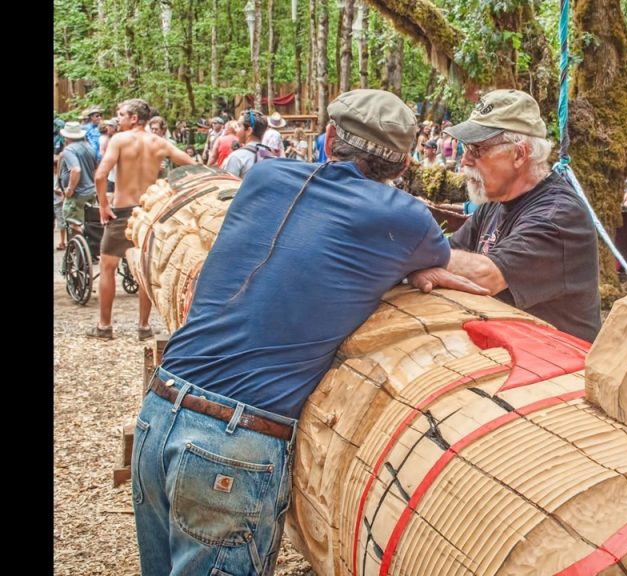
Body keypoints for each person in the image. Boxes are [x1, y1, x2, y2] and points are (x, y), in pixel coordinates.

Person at [131, 89, 486, 575]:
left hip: (159, 408)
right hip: (233, 444)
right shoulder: (406, 219)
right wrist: (408, 270)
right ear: (403, 164)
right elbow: (432, 262)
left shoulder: (264, 175)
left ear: (330, 138)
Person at [411, 89, 602, 342]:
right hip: (514, 354)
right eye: (466, 148)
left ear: (519, 154)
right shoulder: (496, 202)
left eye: (477, 149)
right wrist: (421, 265)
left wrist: (408, 256)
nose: (465, 160)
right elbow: (446, 255)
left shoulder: (559, 216)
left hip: (563, 372)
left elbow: (485, 275)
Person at [89, 98, 196, 341]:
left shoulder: (119, 140)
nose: (118, 118)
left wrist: (103, 206)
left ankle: (104, 326)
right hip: (149, 211)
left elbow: (101, 175)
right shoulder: (159, 142)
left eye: (121, 114)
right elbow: (192, 164)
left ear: (134, 118)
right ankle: (144, 325)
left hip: (122, 211)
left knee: (107, 267)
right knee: (144, 270)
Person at [57, 122, 98, 227]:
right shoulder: (89, 147)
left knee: (74, 224)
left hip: (78, 194)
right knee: (88, 223)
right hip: (90, 191)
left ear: (66, 136)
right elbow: (95, 170)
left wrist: (70, 189)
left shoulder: (69, 150)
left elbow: (76, 170)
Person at [223, 110, 275, 178]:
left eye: (239, 126)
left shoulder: (237, 157)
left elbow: (228, 186)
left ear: (249, 131)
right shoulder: (269, 155)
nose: (236, 131)